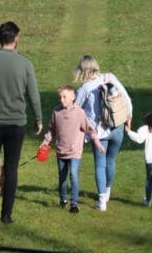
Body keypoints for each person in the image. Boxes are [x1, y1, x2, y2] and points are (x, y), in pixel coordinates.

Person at [0, 21, 42, 224]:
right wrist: (38, 118)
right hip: (16, 124)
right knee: (11, 168)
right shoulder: (26, 64)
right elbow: (34, 95)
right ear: (16, 39)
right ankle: (7, 214)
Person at [73, 55, 133, 211]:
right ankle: (107, 192)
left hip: (99, 132)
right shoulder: (109, 78)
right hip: (117, 127)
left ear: (82, 70)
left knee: (100, 165)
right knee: (111, 161)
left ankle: (101, 202)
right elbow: (126, 98)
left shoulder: (84, 89)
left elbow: (75, 110)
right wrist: (129, 118)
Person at [41, 85, 105, 213]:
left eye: (64, 97)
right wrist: (45, 143)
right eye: (60, 97)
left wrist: (97, 143)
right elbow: (51, 131)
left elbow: (90, 129)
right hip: (61, 151)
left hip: (75, 151)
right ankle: (63, 199)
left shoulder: (79, 113)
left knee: (73, 175)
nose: (62, 100)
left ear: (73, 97)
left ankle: (74, 204)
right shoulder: (56, 112)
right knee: (62, 177)